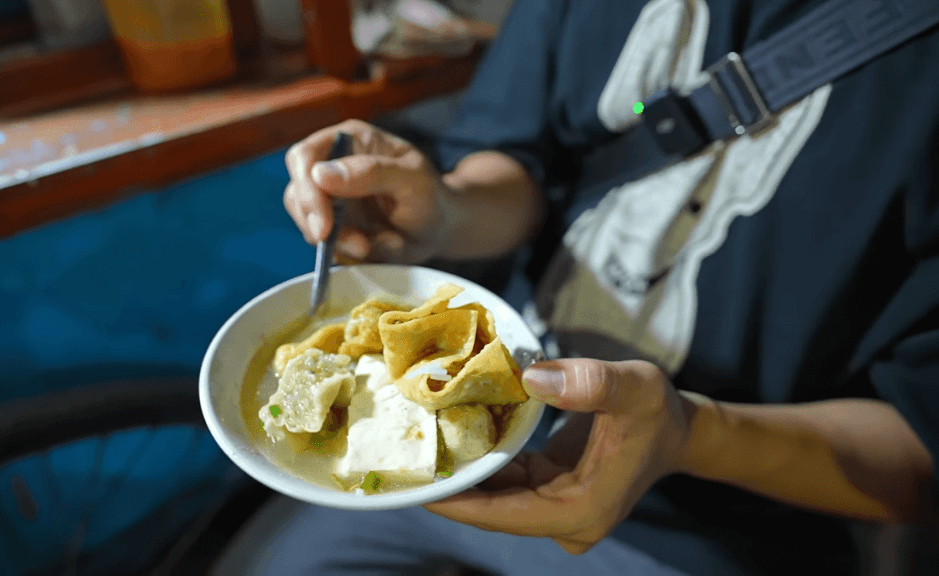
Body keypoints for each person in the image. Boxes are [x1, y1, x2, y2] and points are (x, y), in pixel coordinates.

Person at [260, 0, 939, 573]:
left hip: (713, 533)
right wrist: (446, 210)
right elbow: (523, 161)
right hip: (466, 458)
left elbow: (918, 455)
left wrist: (690, 433)